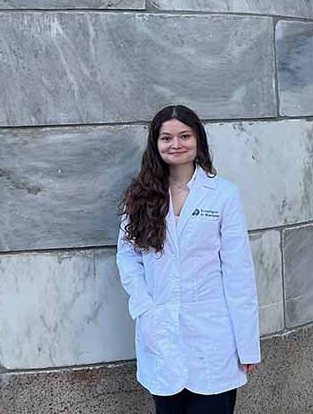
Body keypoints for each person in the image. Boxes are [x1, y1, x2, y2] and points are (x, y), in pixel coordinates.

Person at [116, 104, 261, 414]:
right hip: (161, 331)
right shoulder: (141, 195)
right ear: (156, 144)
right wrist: (145, 305)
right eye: (166, 138)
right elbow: (127, 255)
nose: (176, 144)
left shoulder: (223, 194)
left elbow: (239, 272)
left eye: (185, 136)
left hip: (213, 335)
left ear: (198, 142)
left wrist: (247, 345)